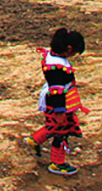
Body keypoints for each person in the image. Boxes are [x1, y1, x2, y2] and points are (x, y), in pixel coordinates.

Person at [23, 28, 88, 176]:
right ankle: (57, 163)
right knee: (60, 130)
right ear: (68, 49)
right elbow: (57, 92)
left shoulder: (51, 56)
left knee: (55, 127)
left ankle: (35, 140)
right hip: (56, 102)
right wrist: (60, 112)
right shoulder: (58, 68)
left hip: (54, 99)